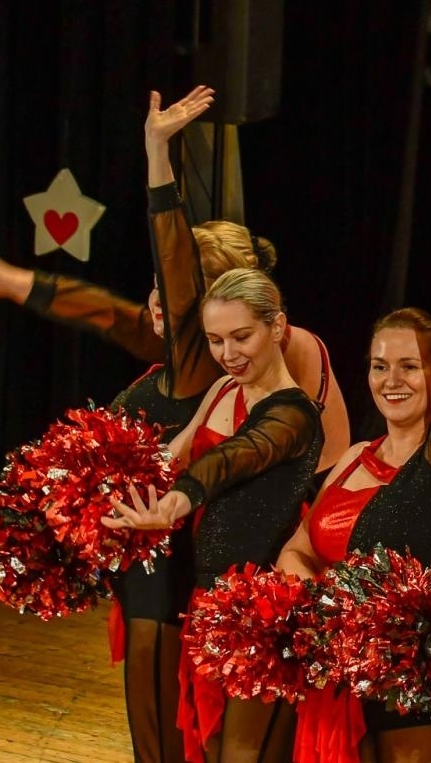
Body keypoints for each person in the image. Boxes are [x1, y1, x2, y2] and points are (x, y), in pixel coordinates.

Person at [0, 86, 351, 474]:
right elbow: (106, 312)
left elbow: (331, 453)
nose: (156, 301)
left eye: (171, 289)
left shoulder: (222, 357)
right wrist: (11, 281)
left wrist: (156, 148)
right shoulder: (179, 346)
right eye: (155, 285)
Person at [273, 117, 431, 763]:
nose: (391, 380)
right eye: (379, 365)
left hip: (424, 689)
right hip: (344, 683)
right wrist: (315, 607)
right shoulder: (352, 459)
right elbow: (300, 550)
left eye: (409, 365)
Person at [104, 267, 325, 763]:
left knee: (244, 753)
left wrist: (178, 501)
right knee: (206, 745)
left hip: (262, 609)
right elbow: (170, 458)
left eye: (242, 336)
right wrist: (91, 496)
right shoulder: (223, 390)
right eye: (216, 340)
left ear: (278, 327)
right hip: (207, 601)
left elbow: (233, 458)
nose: (229, 354)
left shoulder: (294, 414)